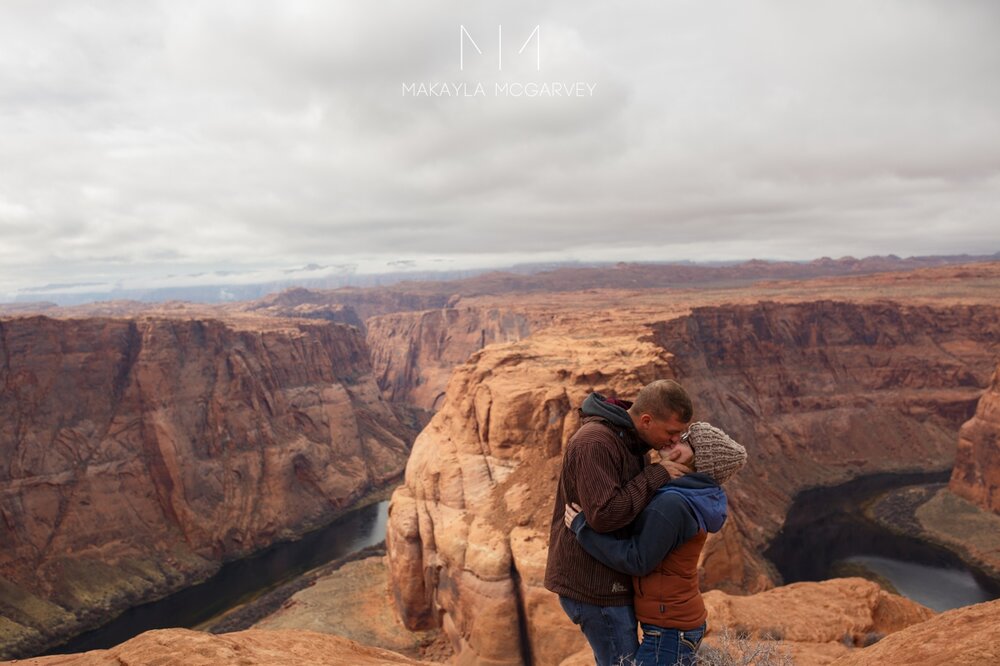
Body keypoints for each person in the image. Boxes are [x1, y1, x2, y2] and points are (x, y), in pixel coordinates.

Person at [564, 422, 747, 666]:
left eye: (685, 443)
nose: (674, 441)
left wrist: (582, 529)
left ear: (700, 463)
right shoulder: (690, 496)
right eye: (681, 436)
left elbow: (637, 560)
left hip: (669, 631)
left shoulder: (673, 504)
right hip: (677, 624)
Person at [544, 380, 695, 666]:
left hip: (609, 580)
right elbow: (605, 515)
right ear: (647, 420)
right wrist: (657, 474)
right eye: (672, 432)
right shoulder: (595, 442)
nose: (676, 441)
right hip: (595, 587)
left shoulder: (629, 439)